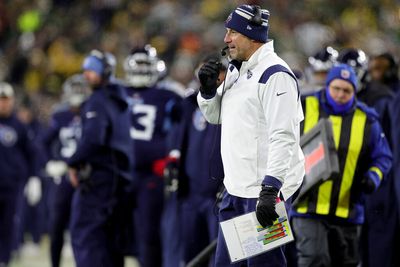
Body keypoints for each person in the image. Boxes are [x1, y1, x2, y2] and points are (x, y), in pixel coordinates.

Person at [197, 5, 305, 266]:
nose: (226, 39)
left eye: (233, 32)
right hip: (236, 190)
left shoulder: (275, 75)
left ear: (252, 34)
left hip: (261, 192)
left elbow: (284, 136)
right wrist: (208, 92)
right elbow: (216, 117)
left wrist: (271, 189)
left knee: (263, 265)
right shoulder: (239, 70)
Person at [291, 64, 392, 267]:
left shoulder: (368, 119)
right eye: (336, 88)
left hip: (348, 209)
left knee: (347, 263)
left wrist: (373, 177)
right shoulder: (303, 105)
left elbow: (383, 157)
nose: (340, 94)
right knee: (313, 260)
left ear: (355, 92)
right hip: (306, 205)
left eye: (346, 90)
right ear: (327, 86)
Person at [67, 50, 134, 267]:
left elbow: (93, 140)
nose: (87, 75)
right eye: (85, 70)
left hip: (99, 182)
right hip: (119, 181)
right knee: (111, 244)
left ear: (104, 72)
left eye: (92, 70)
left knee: (86, 236)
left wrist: (72, 162)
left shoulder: (98, 99)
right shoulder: (120, 97)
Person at [123, 44, 182, 267]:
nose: (140, 70)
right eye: (137, 65)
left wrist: (172, 156)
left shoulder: (169, 94)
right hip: (121, 173)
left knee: (150, 232)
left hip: (152, 174)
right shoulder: (117, 92)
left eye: (144, 65)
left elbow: (180, 130)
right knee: (117, 232)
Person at [42, 74, 90, 267]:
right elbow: (43, 142)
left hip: (86, 175)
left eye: (81, 89)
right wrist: (50, 163)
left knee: (83, 226)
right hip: (64, 177)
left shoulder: (93, 112)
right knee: (57, 226)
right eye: (75, 90)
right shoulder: (61, 115)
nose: (78, 94)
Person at [0, 82, 39, 266]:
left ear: (12, 101)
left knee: (9, 225)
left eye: (6, 100)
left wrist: (33, 178)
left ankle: (4, 260)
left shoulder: (19, 126)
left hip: (12, 185)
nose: (3, 104)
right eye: (0, 100)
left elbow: (32, 153)